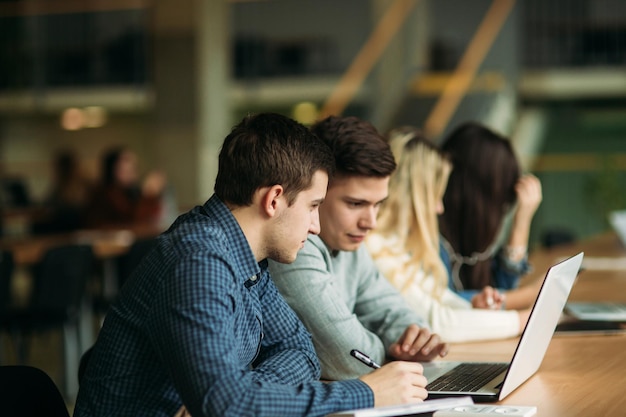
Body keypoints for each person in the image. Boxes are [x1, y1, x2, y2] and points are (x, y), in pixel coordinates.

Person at [74, 113, 430, 417]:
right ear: (274, 199)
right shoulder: (198, 262)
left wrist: (245, 390)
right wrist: (366, 393)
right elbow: (227, 405)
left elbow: (301, 351)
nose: (316, 226)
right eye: (312, 206)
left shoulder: (247, 258)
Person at [269, 115, 448, 382]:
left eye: (378, 204)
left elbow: (391, 310)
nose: (370, 222)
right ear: (315, 192)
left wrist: (413, 337)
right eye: (355, 204)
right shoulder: (294, 248)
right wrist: (391, 349)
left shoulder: (349, 242)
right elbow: (349, 359)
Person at [366, 127, 531, 343]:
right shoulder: (374, 245)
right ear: (413, 196)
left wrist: (474, 309)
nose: (439, 208)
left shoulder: (398, 245)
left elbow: (442, 301)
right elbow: (438, 322)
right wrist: (523, 318)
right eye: (435, 196)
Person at [438, 121, 543, 304]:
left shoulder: (470, 246)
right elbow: (441, 305)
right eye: (500, 205)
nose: (499, 215)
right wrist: (530, 295)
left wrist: (522, 221)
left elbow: (501, 287)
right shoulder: (432, 239)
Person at [83, 146, 166, 229]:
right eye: (126, 168)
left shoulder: (131, 192)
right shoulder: (106, 195)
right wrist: (149, 195)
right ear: (112, 168)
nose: (131, 171)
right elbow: (135, 223)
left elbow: (154, 220)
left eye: (134, 168)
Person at [32, 149, 92, 234]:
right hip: (67, 226)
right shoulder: (60, 185)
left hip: (75, 227)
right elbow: (49, 202)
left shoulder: (82, 184)